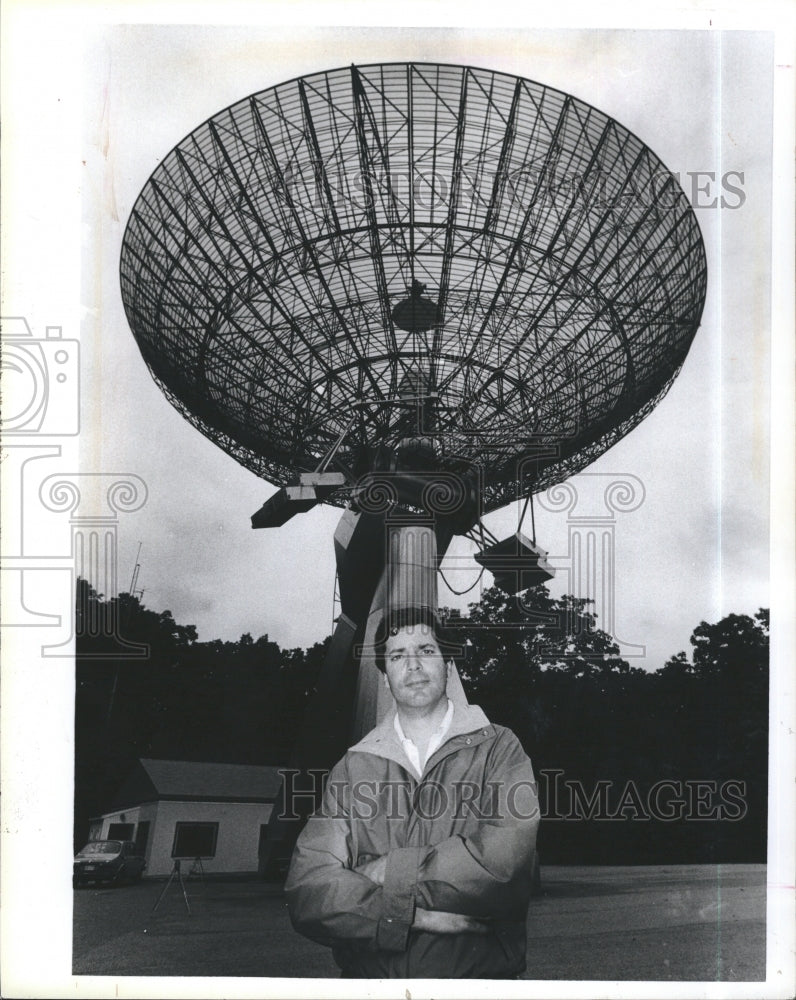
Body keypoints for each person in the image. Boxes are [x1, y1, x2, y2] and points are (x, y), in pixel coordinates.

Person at [285, 605, 539, 979]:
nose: (413, 665)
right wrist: (406, 917)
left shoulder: (499, 749)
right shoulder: (354, 767)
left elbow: (501, 869)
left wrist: (383, 871)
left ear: (448, 665)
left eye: (426, 650)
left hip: (476, 982)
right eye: (398, 655)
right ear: (386, 678)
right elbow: (308, 891)